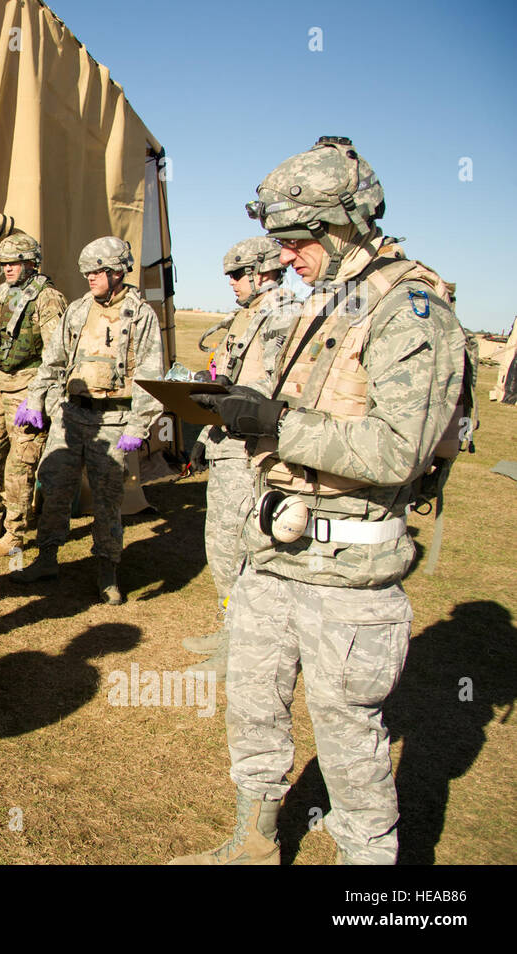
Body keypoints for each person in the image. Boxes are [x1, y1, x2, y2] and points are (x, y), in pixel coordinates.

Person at [171, 137, 466, 865]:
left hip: (348, 576)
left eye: (299, 240)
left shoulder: (412, 309)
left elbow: (400, 447)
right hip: (274, 557)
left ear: (347, 222)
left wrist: (276, 424)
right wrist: (244, 407)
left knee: (349, 741)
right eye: (281, 241)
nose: (288, 257)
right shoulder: (326, 304)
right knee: (253, 709)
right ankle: (254, 844)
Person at [9, 236, 164, 603]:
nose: (90, 278)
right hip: (70, 415)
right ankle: (46, 558)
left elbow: (149, 374)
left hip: (113, 420)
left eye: (96, 272)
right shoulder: (78, 310)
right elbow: (53, 361)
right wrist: (35, 398)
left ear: (116, 271)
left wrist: (138, 426)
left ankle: (107, 571)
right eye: (88, 272)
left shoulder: (140, 316)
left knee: (108, 499)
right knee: (54, 488)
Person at [183, 238, 300, 676]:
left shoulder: (284, 315)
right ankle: (230, 627)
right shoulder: (248, 316)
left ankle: (241, 646)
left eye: (236, 274)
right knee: (222, 544)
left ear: (263, 272)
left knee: (239, 546)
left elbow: (270, 390)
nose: (230, 282)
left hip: (252, 450)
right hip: (226, 444)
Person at [0, 233, 67, 558]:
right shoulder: (3, 294)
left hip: (29, 391)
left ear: (31, 263)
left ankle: (14, 534)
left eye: (14, 263)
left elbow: (57, 355)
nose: (7, 269)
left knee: (19, 466)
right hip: (1, 386)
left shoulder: (48, 299)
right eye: (4, 263)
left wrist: (38, 398)